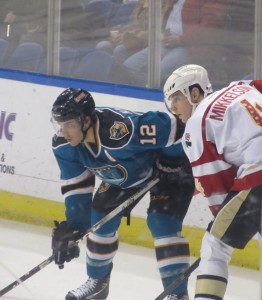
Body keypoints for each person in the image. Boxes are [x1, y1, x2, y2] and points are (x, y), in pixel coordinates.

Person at [50, 88, 195, 300]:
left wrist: (171, 160)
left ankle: (177, 295)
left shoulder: (120, 130)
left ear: (87, 120)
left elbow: (177, 126)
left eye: (69, 124)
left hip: (168, 171)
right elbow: (78, 188)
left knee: (161, 222)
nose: (64, 131)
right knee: (99, 219)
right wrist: (74, 227)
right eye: (60, 124)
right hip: (124, 175)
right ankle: (97, 282)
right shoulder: (63, 145)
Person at [163, 64, 262, 299]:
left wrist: (220, 228)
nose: (173, 107)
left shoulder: (197, 123)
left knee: (214, 247)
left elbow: (217, 189)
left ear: (194, 93)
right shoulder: (242, 86)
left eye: (176, 98)